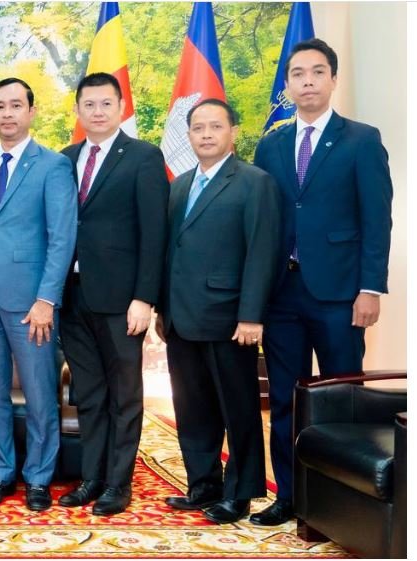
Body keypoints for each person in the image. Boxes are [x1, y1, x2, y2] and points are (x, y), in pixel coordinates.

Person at [250, 38, 393, 527]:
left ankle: (342, 502)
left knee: (341, 397)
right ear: (287, 85)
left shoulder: (361, 140)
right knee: (285, 399)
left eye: (316, 72)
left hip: (340, 294)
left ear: (333, 79)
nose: (307, 81)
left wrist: (371, 288)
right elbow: (264, 220)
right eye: (297, 74)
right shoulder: (270, 145)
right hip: (282, 294)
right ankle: (289, 497)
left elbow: (377, 220)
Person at [157, 99, 280, 525]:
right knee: (191, 408)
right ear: (189, 135)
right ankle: (203, 485)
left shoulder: (254, 182)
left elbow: (262, 251)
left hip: (229, 318)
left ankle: (240, 493)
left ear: (233, 132)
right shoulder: (178, 186)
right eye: (198, 128)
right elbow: (170, 253)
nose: (206, 134)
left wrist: (251, 315)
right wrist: (162, 309)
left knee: (238, 408)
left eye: (215, 126)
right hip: (180, 317)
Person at [57, 73, 169, 516]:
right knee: (89, 393)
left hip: (123, 301)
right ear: (78, 110)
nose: (98, 111)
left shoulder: (143, 157)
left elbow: (154, 232)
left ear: (121, 107)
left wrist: (145, 297)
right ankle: (92, 478)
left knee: (124, 394)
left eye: (106, 103)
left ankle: (118, 484)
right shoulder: (64, 159)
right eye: (89, 104)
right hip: (73, 296)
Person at [0, 78, 77, 512]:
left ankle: (39, 478)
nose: (7, 113)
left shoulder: (52, 166)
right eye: (0, 106)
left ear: (31, 111)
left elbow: (61, 237)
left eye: (16, 105)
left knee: (40, 394)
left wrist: (47, 299)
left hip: (33, 305)